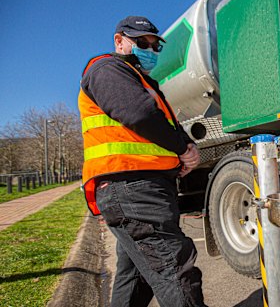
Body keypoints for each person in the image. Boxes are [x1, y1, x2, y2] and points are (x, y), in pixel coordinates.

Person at [79, 16, 206, 307]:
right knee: (175, 270)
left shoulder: (141, 81)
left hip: (139, 188)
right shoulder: (107, 69)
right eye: (141, 42)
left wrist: (185, 148)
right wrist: (181, 148)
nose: (149, 49)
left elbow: (163, 122)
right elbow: (141, 115)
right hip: (133, 187)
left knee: (135, 275)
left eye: (153, 45)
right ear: (119, 41)